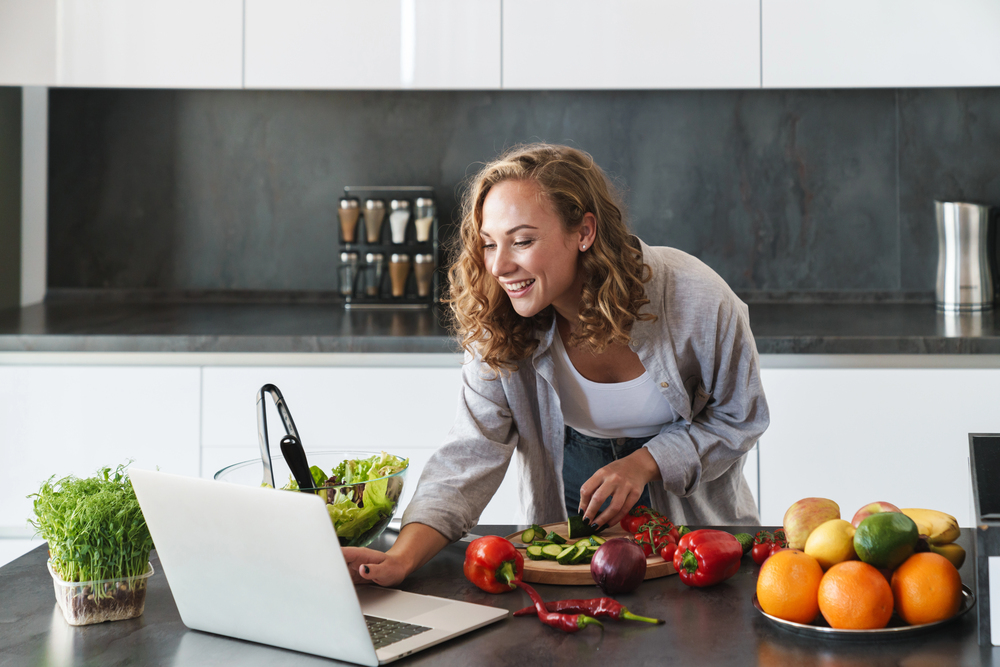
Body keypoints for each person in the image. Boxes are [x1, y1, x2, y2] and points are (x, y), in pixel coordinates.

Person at [344, 143, 768, 586]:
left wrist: (646, 463)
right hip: (564, 527)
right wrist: (400, 558)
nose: (500, 266)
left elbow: (740, 418)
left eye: (522, 241)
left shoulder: (697, 300)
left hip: (698, 545)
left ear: (584, 232)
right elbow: (471, 452)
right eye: (489, 244)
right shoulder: (497, 320)